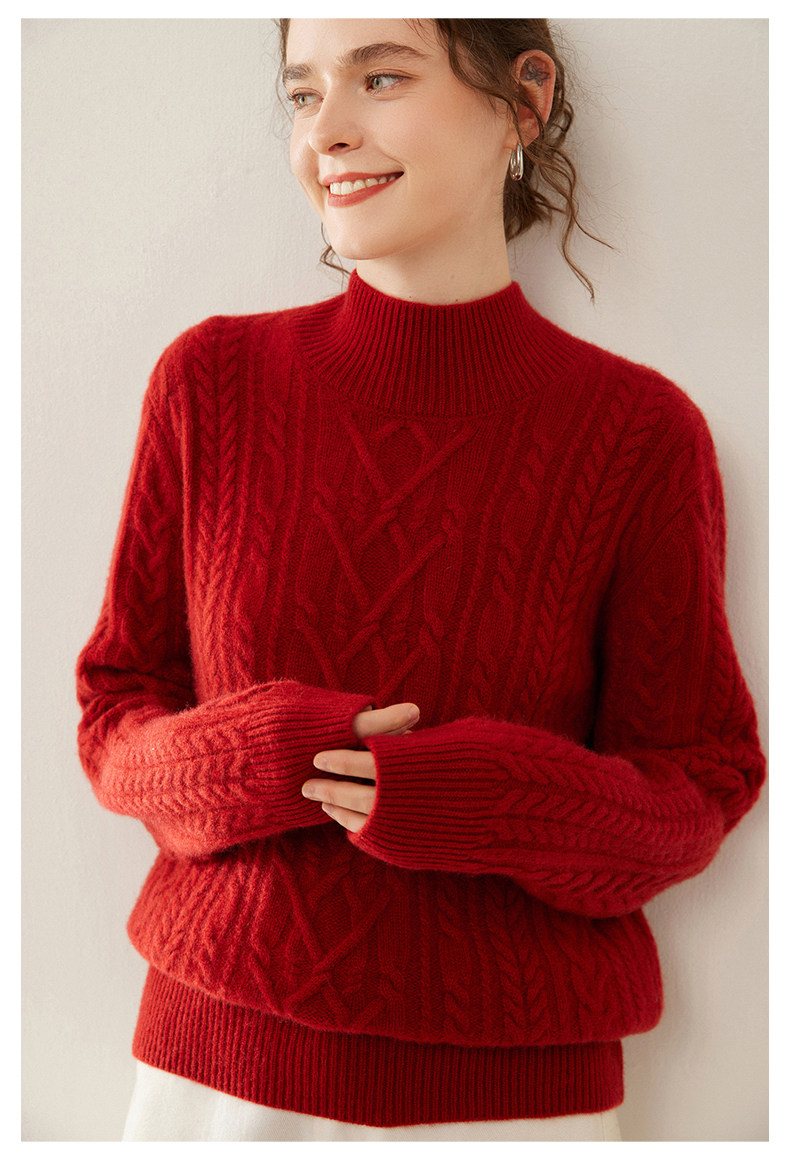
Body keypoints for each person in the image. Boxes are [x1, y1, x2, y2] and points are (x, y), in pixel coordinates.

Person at [75, 18, 766, 1142]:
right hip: (221, 1087)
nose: (328, 133)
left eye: (382, 77)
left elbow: (699, 784)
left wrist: (493, 800)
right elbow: (115, 711)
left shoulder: (637, 435)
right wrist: (260, 754)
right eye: (304, 94)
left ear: (523, 100)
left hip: (517, 1109)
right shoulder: (212, 382)